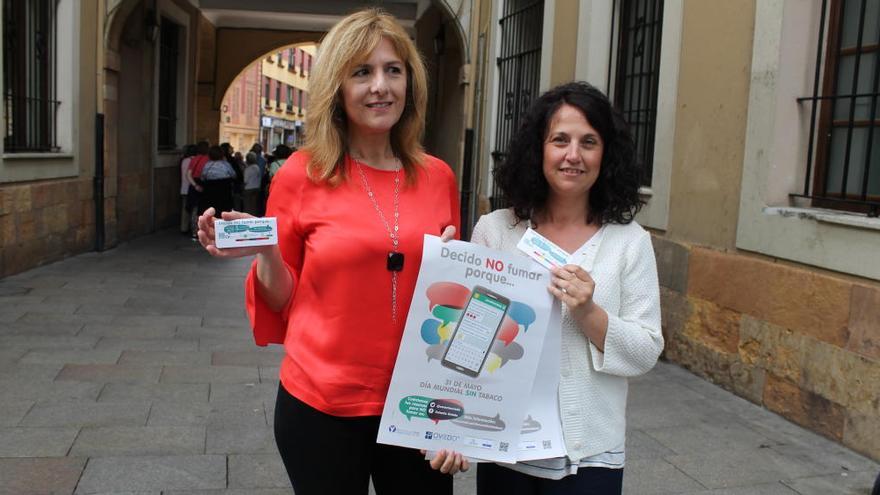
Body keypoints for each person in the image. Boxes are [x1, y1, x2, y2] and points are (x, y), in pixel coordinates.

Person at [196, 8, 464, 494]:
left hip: (415, 402)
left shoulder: (438, 177)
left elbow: (451, 306)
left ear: (410, 83)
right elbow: (281, 299)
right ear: (337, 89)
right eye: (361, 72)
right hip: (321, 402)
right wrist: (266, 251)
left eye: (393, 70)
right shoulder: (301, 173)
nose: (379, 85)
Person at [446, 81, 664, 494]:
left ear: (607, 154)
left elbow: (645, 351)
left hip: (591, 456)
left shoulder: (629, 242)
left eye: (589, 142)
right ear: (538, 150)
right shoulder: (497, 231)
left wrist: (589, 312)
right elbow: (467, 345)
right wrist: (454, 430)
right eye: (559, 140)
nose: (573, 155)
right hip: (506, 446)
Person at [198, 145, 237, 217]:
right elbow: (233, 175)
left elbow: (202, 177)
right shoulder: (226, 164)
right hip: (224, 191)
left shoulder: (207, 165)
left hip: (210, 192)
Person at [178, 144, 197, 234]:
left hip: (184, 187)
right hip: (192, 188)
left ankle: (184, 227)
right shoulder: (194, 161)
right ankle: (193, 228)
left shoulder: (184, 160)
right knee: (194, 209)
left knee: (185, 209)